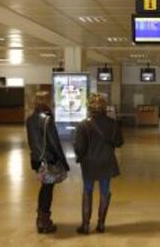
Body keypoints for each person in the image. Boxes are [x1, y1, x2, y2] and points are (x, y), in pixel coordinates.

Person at [74, 93, 124, 234]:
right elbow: (119, 143)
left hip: (89, 163)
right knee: (104, 192)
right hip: (106, 162)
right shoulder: (113, 123)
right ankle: (101, 224)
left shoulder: (83, 125)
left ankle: (85, 225)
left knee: (87, 191)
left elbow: (79, 147)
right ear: (104, 107)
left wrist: (81, 156)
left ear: (89, 107)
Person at [26, 91, 70, 234]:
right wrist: (63, 162)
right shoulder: (47, 119)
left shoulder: (30, 119)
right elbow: (54, 143)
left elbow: (33, 142)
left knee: (44, 188)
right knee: (47, 190)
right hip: (48, 159)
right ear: (46, 101)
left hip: (37, 159)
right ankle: (43, 221)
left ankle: (41, 218)